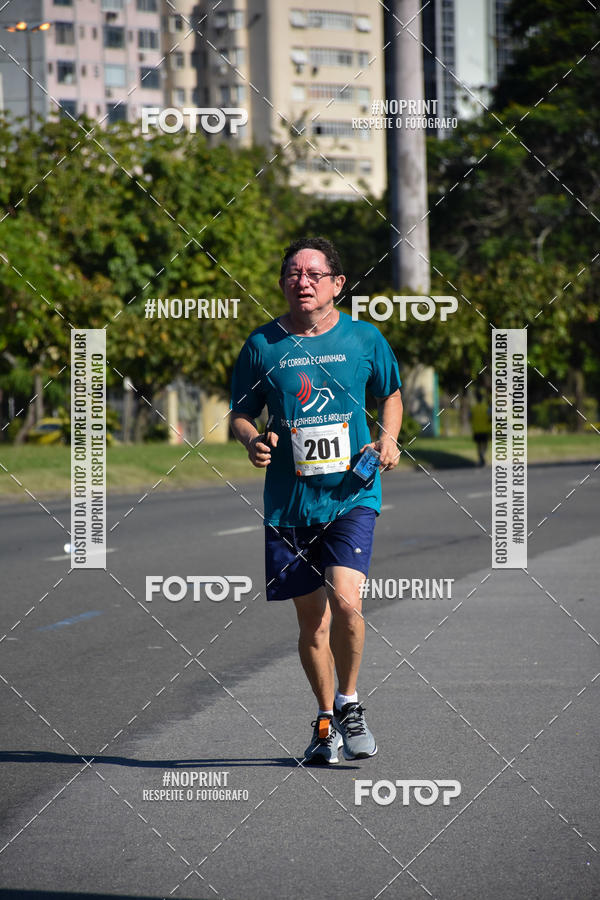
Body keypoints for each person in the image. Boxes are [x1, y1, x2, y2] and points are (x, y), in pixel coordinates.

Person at [230, 237, 402, 765]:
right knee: (313, 625)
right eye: (291, 273)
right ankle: (325, 721)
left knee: (347, 603)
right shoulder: (263, 345)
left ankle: (350, 704)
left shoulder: (364, 339)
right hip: (289, 504)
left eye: (311, 273)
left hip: (353, 493)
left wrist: (390, 437)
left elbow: (390, 394)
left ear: (336, 283)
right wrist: (251, 439)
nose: (300, 281)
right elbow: (240, 412)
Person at [471, 389, 492, 466]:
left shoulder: (473, 408)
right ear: (482, 399)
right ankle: (482, 455)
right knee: (485, 444)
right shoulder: (486, 408)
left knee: (478, 445)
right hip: (485, 429)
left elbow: (470, 417)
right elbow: (491, 417)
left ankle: (480, 458)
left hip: (476, 429)